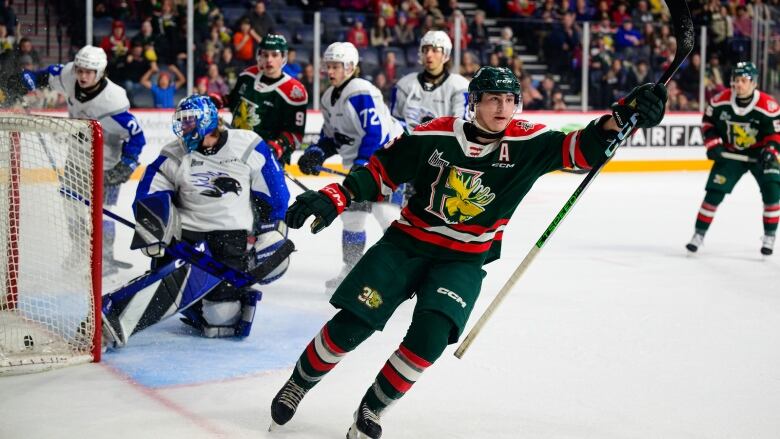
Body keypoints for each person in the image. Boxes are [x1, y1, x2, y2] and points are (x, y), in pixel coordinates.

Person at [269, 66, 668, 438]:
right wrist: (337, 195)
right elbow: (381, 172)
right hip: (407, 243)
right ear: (473, 102)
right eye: (493, 99)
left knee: (430, 338)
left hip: (463, 259)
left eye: (511, 100)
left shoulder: (528, 141)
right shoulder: (434, 134)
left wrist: (622, 117)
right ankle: (297, 385)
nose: (503, 108)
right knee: (352, 323)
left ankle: (370, 410)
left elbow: (582, 150)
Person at [101, 94, 292, 347]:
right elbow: (150, 191)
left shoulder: (247, 145)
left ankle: (198, 301)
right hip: (186, 239)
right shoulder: (174, 152)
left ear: (208, 122)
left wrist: (271, 231)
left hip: (230, 241)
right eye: (182, 122)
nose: (184, 128)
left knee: (220, 324)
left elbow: (275, 194)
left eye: (190, 122)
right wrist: (153, 226)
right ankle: (116, 315)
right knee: (177, 283)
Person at [25, 45, 147, 275]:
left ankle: (106, 258)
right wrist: (26, 81)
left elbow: (136, 136)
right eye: (80, 70)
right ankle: (80, 251)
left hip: (106, 163)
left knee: (103, 210)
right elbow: (45, 76)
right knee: (71, 207)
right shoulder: (70, 74)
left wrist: (127, 164)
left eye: (88, 72)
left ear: (100, 72)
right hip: (76, 158)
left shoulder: (113, 101)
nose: (82, 75)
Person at [294, 42, 404, 292]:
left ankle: (402, 271)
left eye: (336, 66)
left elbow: (374, 134)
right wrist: (317, 153)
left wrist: (362, 165)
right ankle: (351, 268)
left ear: (351, 67)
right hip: (360, 165)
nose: (331, 71)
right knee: (352, 218)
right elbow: (332, 137)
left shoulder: (360, 92)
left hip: (387, 162)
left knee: (387, 215)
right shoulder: (327, 97)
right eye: (329, 66)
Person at [685, 62, 780, 256]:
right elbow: (708, 124)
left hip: (760, 154)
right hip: (731, 153)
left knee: (772, 191)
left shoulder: (768, 105)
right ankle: (698, 234)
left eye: (743, 80)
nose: (738, 84)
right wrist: (713, 144)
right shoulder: (720, 101)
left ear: (754, 83)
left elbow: (776, 133)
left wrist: (771, 151)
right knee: (713, 193)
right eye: (735, 80)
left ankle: (769, 236)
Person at [227, 34, 308, 166]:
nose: (269, 60)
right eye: (265, 55)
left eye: (274, 55)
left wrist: (278, 146)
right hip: (235, 153)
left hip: (268, 160)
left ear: (283, 57)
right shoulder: (248, 75)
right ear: (259, 56)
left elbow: (295, 135)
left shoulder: (294, 91)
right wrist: (216, 102)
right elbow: (232, 102)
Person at [391, 30, 469, 131]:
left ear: (445, 54)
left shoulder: (459, 86)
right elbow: (395, 125)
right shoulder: (404, 85)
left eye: (435, 50)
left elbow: (461, 129)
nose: (429, 54)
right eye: (425, 49)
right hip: (411, 145)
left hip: (445, 145)